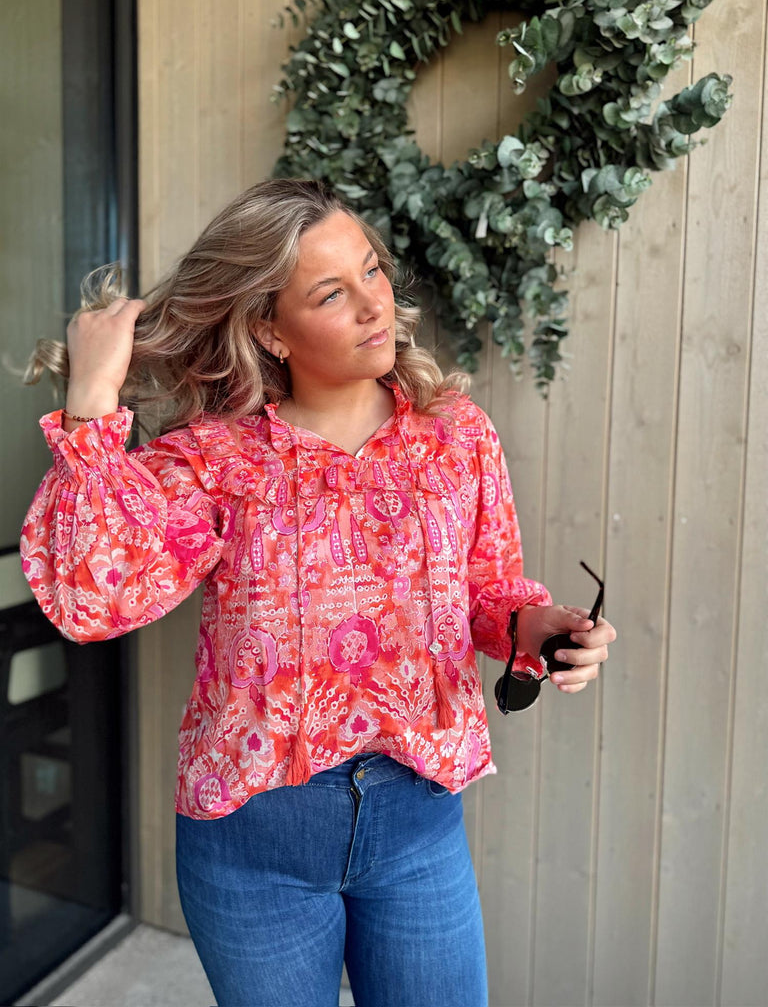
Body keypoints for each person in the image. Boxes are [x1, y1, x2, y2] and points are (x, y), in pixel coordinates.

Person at [21, 178, 616, 1007]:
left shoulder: (455, 435)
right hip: (253, 843)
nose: (376, 305)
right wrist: (91, 405)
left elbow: (486, 592)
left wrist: (537, 625)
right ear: (270, 328)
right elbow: (95, 598)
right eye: (332, 293)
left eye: (372, 271)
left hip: (418, 827)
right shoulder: (215, 460)